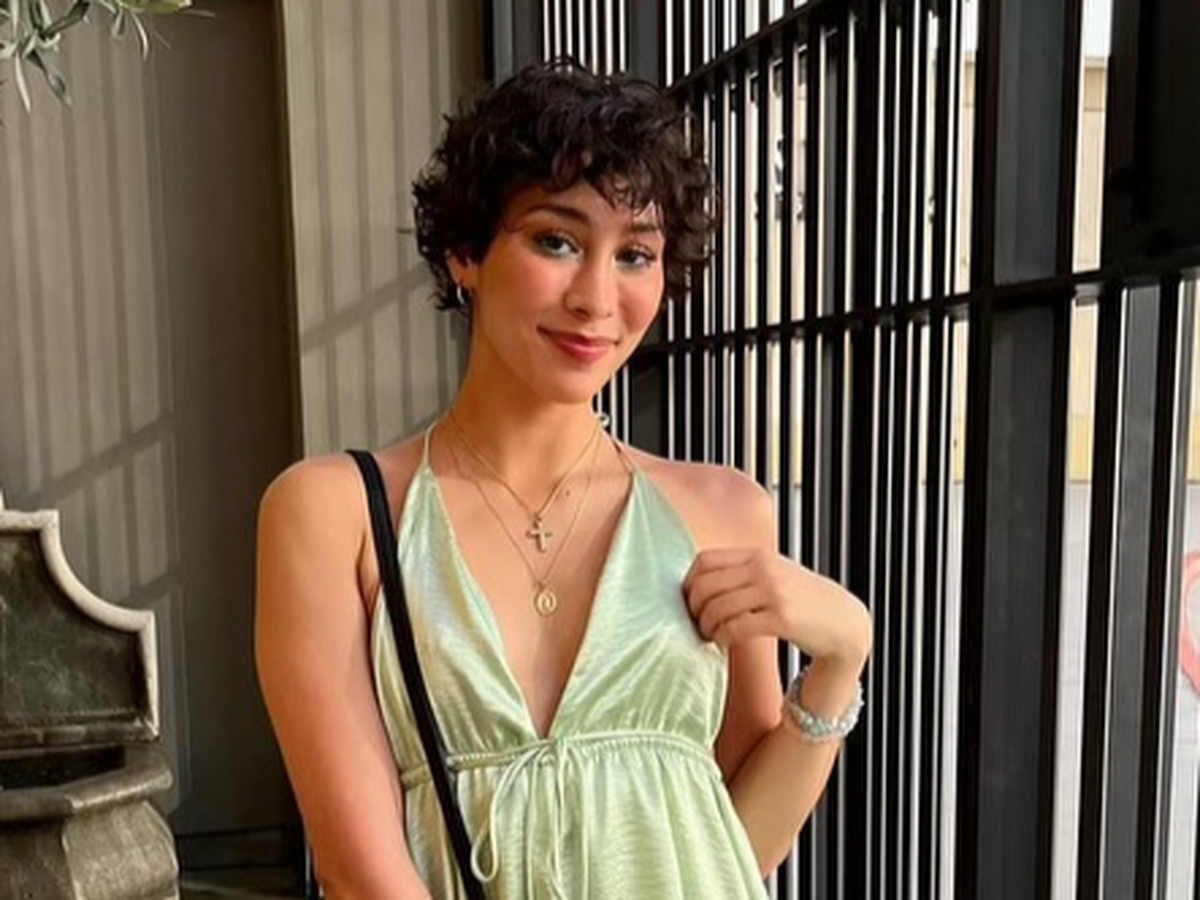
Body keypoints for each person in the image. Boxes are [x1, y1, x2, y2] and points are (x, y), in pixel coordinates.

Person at [255, 61, 872, 900]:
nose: (596, 298)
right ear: (465, 252)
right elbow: (360, 873)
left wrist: (841, 658)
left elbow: (739, 846)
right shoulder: (339, 513)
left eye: (636, 255)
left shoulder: (723, 511)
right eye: (557, 240)